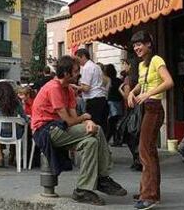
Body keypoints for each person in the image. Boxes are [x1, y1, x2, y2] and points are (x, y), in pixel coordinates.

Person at [32, 55, 127, 206]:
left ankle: (83, 189)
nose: (79, 74)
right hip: (45, 131)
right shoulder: (53, 88)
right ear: (66, 73)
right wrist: (85, 118)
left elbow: (73, 118)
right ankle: (102, 178)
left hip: (61, 128)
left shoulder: (69, 89)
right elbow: (70, 121)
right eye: (76, 71)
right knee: (99, 129)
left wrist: (87, 121)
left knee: (91, 142)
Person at [128, 31, 174, 209]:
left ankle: (149, 195)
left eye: (140, 44)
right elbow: (142, 82)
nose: (137, 48)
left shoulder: (157, 60)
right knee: (149, 151)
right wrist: (133, 92)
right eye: (134, 45)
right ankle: (149, 191)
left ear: (149, 44)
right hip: (146, 108)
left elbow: (169, 81)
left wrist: (148, 93)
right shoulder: (142, 65)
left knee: (145, 150)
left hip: (154, 108)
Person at [0, 82, 28, 167]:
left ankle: (0, 156)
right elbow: (24, 118)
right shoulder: (17, 103)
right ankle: (13, 154)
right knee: (18, 127)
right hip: (15, 134)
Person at [72, 48, 109, 135]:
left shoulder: (86, 68)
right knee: (102, 125)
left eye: (77, 59)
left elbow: (86, 88)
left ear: (83, 56)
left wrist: (76, 87)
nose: (77, 62)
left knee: (93, 126)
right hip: (101, 98)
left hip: (93, 99)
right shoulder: (96, 66)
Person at [118, 57, 142, 171]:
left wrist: (120, 90)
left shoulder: (128, 79)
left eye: (124, 64)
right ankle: (139, 159)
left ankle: (137, 159)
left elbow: (128, 98)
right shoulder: (139, 77)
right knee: (138, 135)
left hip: (131, 110)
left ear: (129, 66)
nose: (123, 67)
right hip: (141, 108)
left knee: (130, 135)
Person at [104, 64, 124, 145]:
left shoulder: (107, 80)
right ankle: (117, 139)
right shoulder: (119, 81)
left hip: (110, 102)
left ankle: (110, 139)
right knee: (116, 122)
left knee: (111, 122)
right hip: (118, 103)